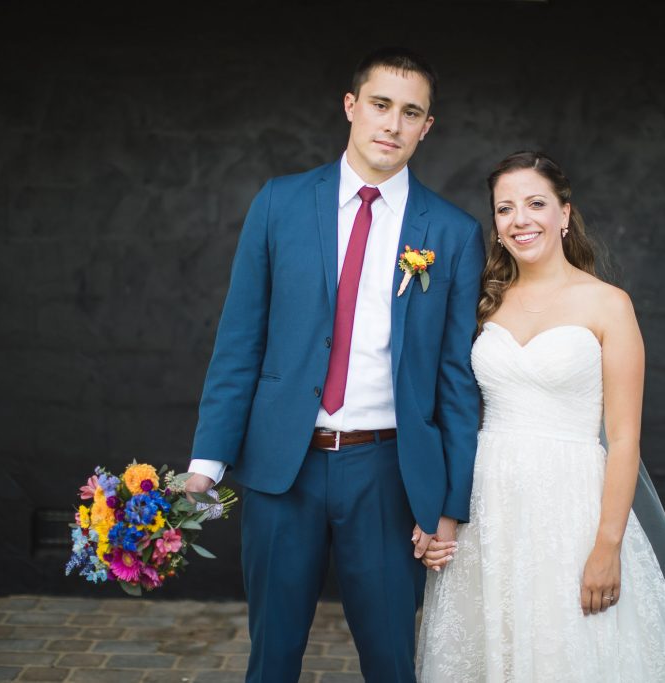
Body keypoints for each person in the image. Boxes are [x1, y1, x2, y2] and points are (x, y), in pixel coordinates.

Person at [184, 48, 485, 683]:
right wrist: (205, 466)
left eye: (411, 113)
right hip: (279, 470)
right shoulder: (280, 203)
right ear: (350, 107)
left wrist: (450, 503)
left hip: (388, 474)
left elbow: (456, 380)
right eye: (380, 105)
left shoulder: (452, 233)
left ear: (426, 127)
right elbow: (239, 342)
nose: (392, 124)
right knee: (271, 657)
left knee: (390, 661)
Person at [415, 151, 665, 682]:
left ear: (564, 213)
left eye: (535, 203)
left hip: (571, 506)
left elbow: (623, 440)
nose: (520, 219)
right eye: (505, 209)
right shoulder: (484, 303)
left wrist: (606, 546)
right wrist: (445, 509)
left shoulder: (607, 304)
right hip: (490, 501)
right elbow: (454, 411)